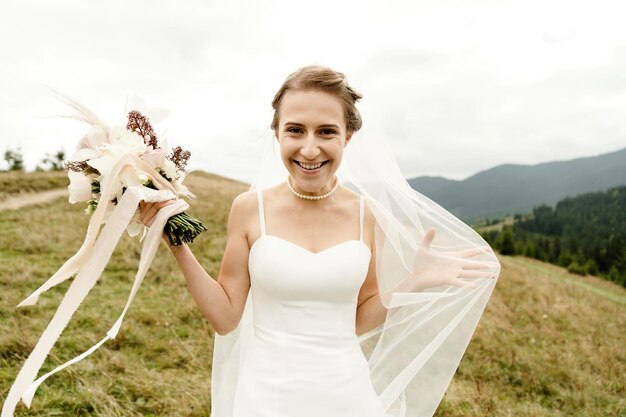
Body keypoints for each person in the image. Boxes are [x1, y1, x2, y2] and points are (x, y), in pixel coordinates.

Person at [139, 65, 500, 417]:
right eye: (295, 130)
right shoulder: (250, 209)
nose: (310, 150)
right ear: (278, 133)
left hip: (345, 394)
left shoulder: (366, 215)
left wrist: (413, 281)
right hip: (267, 396)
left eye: (326, 132)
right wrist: (174, 239)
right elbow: (226, 318)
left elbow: (357, 319)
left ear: (348, 137)